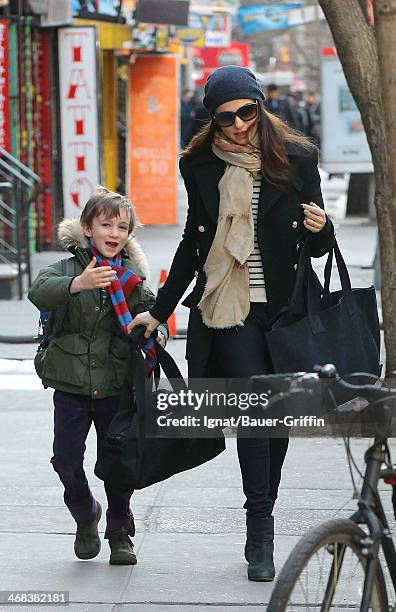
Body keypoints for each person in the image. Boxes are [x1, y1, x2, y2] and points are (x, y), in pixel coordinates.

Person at [128, 66, 335, 582]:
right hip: (230, 306)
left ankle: (264, 508)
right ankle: (259, 526)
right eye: (227, 117)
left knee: (278, 419)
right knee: (254, 414)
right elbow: (193, 243)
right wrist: (162, 307)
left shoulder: (298, 157)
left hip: (285, 309)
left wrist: (322, 228)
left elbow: (318, 245)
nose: (240, 125)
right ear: (212, 119)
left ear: (259, 107)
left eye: (247, 111)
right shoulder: (199, 164)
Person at [28, 188, 168, 566]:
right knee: (66, 460)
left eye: (122, 227)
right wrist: (79, 284)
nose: (114, 232)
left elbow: (155, 316)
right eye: (105, 224)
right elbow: (38, 292)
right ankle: (86, 513)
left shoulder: (132, 278)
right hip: (71, 385)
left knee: (117, 461)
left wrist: (156, 330)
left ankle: (120, 532)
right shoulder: (68, 268)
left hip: (116, 386)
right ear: (88, 228)